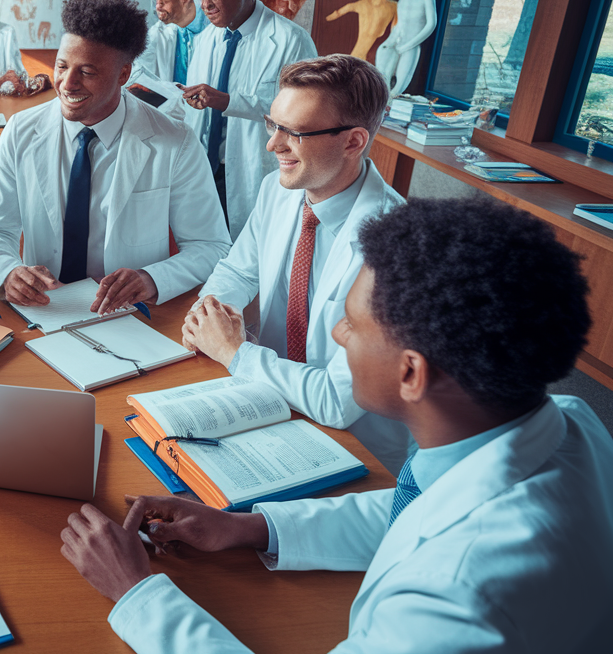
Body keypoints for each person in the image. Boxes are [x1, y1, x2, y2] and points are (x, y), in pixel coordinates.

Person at [61, 197, 613, 654]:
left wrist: (136, 593)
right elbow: (416, 511)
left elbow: (442, 539)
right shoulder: (565, 420)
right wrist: (252, 527)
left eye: (350, 324)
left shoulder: (458, 596)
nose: (340, 337)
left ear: (411, 372)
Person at [182, 55, 410, 473]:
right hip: (268, 403)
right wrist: (208, 314)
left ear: (353, 142)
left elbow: (339, 402)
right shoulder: (278, 189)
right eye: (274, 124)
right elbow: (239, 269)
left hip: (355, 449)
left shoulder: (397, 242)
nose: (273, 144)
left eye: (294, 132)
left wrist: (235, 352)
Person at [0, 0, 230, 314]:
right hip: (45, 310)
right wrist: (7, 271)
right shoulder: (21, 131)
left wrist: (152, 279)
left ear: (124, 74)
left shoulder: (174, 141)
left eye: (87, 71)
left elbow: (211, 246)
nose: (67, 83)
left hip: (132, 317)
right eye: (62, 66)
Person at [180, 0, 317, 239]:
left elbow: (305, 115)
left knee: (251, 257)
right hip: (204, 169)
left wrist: (227, 101)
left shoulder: (291, 40)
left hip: (254, 172)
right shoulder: (206, 39)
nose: (205, 5)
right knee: (203, 250)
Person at [129, 0, 210, 121]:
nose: (158, 6)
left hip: (207, 117)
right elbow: (140, 75)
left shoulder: (212, 30)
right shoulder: (157, 33)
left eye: (164, 1)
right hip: (173, 118)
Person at [375, 0, 438, 97]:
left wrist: (409, 45)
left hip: (411, 46)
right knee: (382, 76)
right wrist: (390, 41)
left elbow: (431, 25)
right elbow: (399, 25)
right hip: (396, 42)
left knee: (398, 87)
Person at [325, 0, 397, 61]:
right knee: (357, 57)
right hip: (364, 47)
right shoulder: (363, 4)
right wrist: (329, 17)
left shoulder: (394, 6)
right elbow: (345, 9)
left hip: (379, 47)